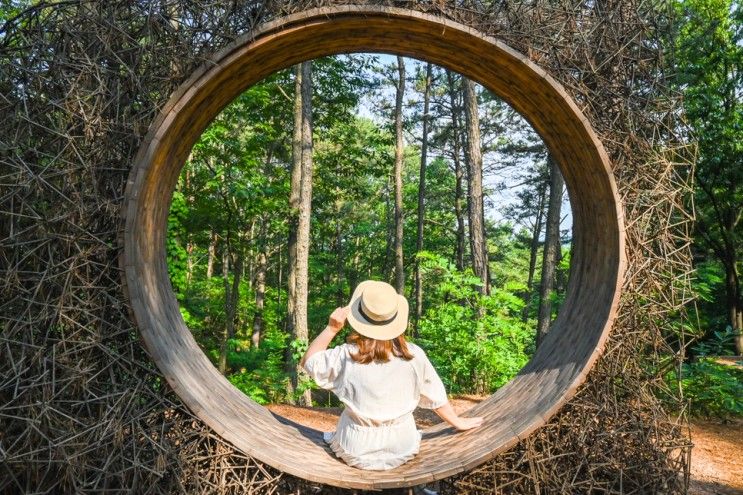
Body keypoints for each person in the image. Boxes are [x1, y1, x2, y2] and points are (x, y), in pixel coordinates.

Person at [300, 279, 484, 471]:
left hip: (355, 449)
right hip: (401, 448)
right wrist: (457, 422)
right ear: (395, 319)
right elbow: (435, 395)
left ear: (359, 318)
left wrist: (332, 328)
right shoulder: (413, 355)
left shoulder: (346, 355)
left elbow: (309, 361)